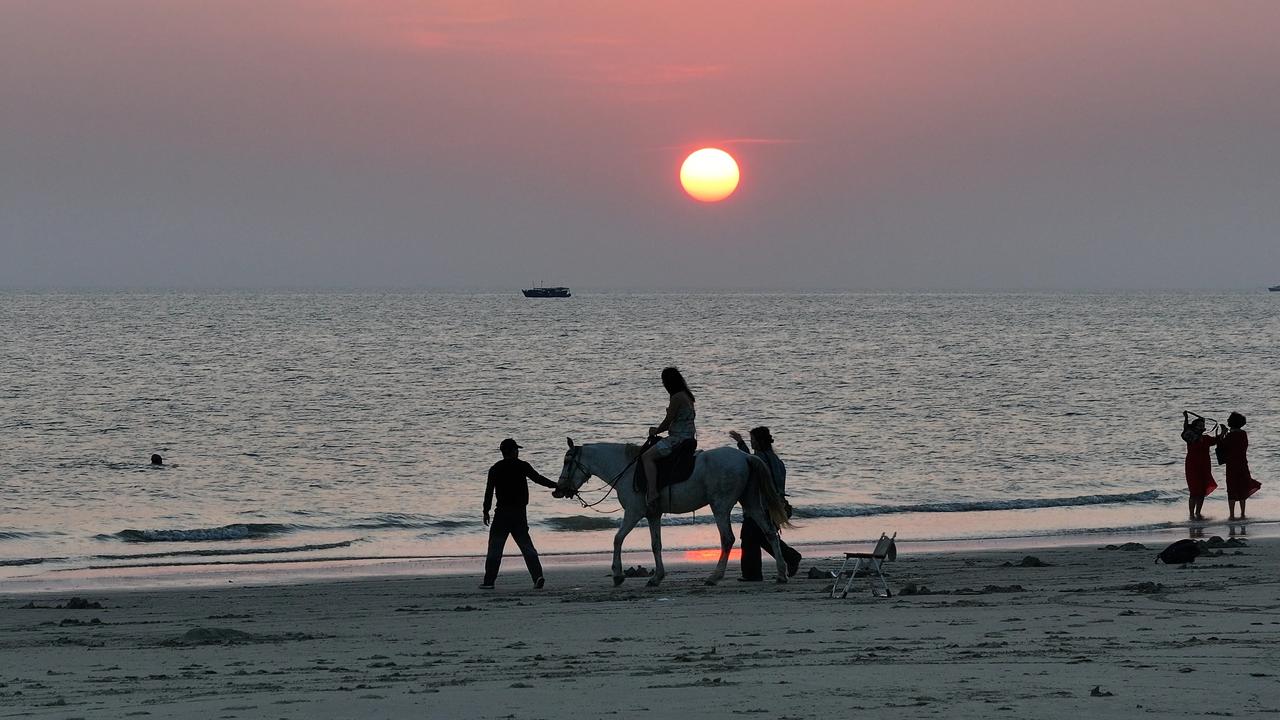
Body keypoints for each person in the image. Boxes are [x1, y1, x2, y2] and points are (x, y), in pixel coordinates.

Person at [481, 438, 558, 589]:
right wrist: (557, 485)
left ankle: (489, 582)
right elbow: (538, 479)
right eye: (517, 449)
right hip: (519, 514)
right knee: (527, 547)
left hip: (501, 513)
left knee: (495, 548)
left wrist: (486, 510)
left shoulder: (495, 468)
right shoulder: (522, 466)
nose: (518, 452)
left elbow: (489, 492)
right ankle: (537, 577)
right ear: (513, 451)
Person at [730, 426, 802, 580]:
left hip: (761, 506)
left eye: (753, 441)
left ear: (760, 441)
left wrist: (741, 444)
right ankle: (787, 559)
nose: (752, 443)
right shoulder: (776, 460)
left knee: (751, 536)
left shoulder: (761, 460)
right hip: (777, 505)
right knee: (760, 537)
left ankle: (755, 573)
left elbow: (747, 463)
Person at [641, 367, 696, 506]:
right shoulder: (687, 396)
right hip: (689, 437)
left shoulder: (677, 397)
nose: (663, 385)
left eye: (664, 382)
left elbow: (667, 422)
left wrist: (656, 431)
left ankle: (653, 492)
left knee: (646, 457)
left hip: (677, 439)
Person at [1218, 412, 1262, 520]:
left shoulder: (1230, 435)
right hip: (1242, 463)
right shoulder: (1243, 434)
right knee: (1242, 488)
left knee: (1231, 488)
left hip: (1232, 465)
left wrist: (1222, 433)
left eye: (1229, 419)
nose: (1227, 420)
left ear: (1232, 422)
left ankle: (1232, 515)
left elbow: (1221, 445)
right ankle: (1242, 513)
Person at [1181, 412, 1221, 520]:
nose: (1201, 427)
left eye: (1202, 425)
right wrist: (1186, 418)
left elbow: (1217, 440)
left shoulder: (1207, 438)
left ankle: (1198, 513)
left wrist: (1222, 431)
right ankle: (1191, 514)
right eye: (1199, 425)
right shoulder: (1191, 437)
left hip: (1204, 466)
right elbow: (1185, 429)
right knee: (1194, 491)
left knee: (1202, 491)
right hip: (1192, 467)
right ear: (1194, 427)